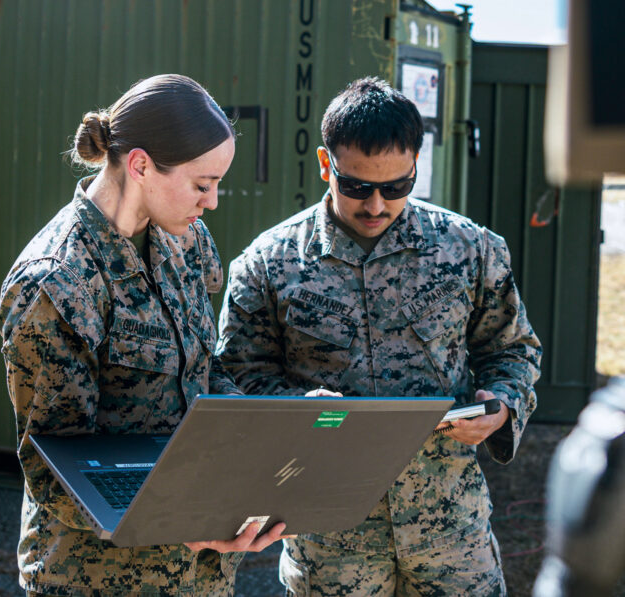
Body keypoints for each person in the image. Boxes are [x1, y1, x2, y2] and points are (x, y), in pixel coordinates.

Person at [216, 77, 542, 596]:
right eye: (356, 186)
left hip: (450, 532)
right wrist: (298, 409)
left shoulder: (470, 248)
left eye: (395, 187)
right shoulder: (268, 264)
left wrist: (501, 405)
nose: (376, 205)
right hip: (329, 537)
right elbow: (236, 378)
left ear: (416, 163)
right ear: (327, 165)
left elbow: (513, 350)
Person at [0, 74, 287, 597]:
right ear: (140, 165)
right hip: (99, 579)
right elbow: (55, 469)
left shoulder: (188, 240)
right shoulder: (56, 282)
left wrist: (277, 426)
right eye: (203, 184)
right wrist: (186, 518)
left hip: (201, 575)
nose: (213, 202)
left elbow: (203, 371)